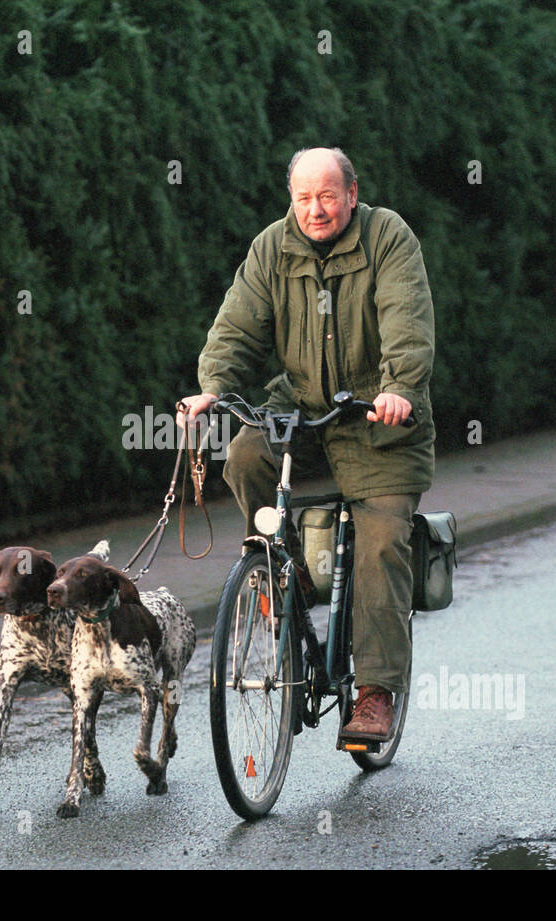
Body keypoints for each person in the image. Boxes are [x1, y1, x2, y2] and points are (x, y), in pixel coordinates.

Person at [178, 146, 435, 742]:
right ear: (290, 199)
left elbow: (408, 320)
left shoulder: (388, 237)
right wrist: (213, 388)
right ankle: (279, 577)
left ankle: (374, 693)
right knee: (244, 456)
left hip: (379, 418)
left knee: (378, 548)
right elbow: (238, 324)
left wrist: (398, 387)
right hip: (302, 404)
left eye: (326, 196)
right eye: (303, 198)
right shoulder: (273, 246)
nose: (314, 210)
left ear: (350, 192)